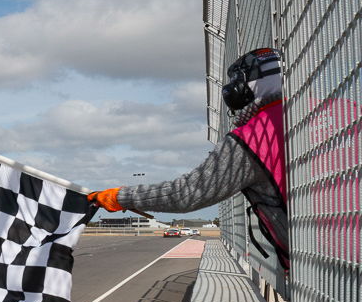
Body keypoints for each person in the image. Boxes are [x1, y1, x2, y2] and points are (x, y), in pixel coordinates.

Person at [88, 47, 289, 271]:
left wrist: (119, 197)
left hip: (312, 266)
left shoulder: (253, 136)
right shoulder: (328, 109)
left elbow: (187, 194)